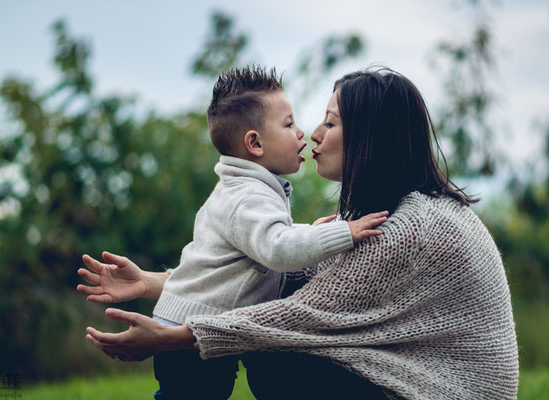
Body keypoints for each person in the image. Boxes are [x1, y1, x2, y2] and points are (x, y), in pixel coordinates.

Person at [81, 67, 519, 399]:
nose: (313, 134)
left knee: (282, 361)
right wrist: (155, 283)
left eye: (331, 123)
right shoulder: (386, 212)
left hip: (450, 392)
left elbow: (299, 315)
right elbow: (282, 281)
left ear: (369, 137)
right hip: (415, 380)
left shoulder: (410, 228)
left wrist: (177, 335)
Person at [78, 66, 387, 400]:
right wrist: (343, 233)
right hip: (189, 337)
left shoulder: (247, 190)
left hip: (195, 324)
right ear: (254, 143)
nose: (303, 133)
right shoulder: (247, 196)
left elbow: (259, 243)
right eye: (288, 124)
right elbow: (278, 250)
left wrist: (304, 232)